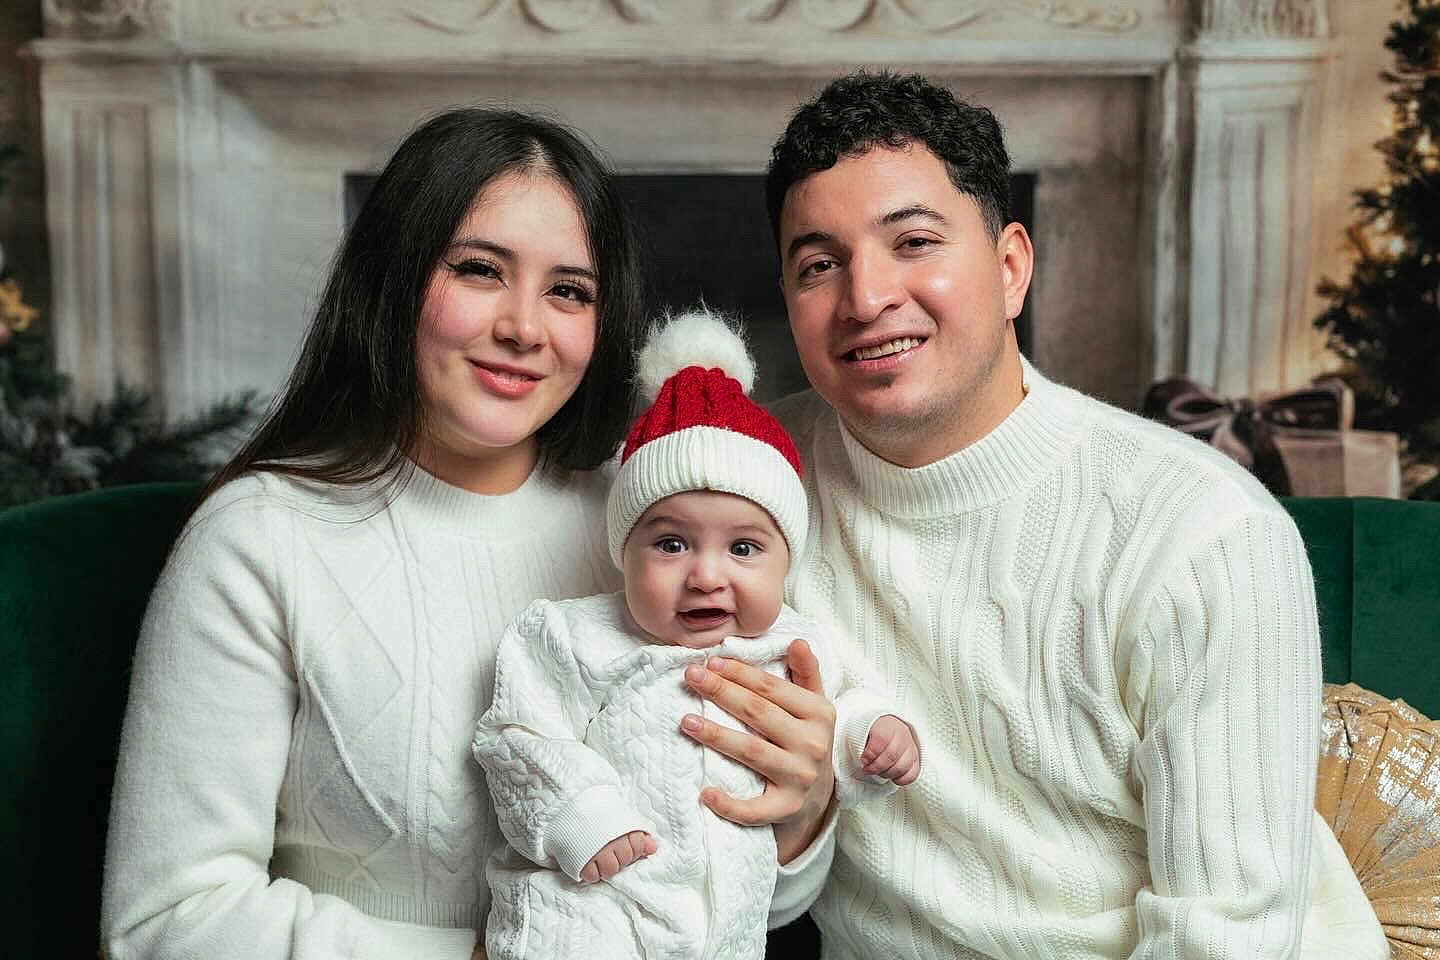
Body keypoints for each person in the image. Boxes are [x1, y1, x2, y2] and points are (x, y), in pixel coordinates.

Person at [99, 108, 835, 960]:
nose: (525, 327)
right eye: (480, 270)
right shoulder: (258, 542)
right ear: (395, 279)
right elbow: (166, 922)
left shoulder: (655, 531)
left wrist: (802, 807)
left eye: (569, 290)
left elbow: (758, 905)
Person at [761, 71, 1390, 959]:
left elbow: (1224, 938)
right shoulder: (748, 487)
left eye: (913, 242)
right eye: (819, 264)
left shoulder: (1202, 533)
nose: (865, 299)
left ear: (1012, 266)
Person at [471, 311, 919, 960]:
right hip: (586, 909)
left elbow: (837, 715)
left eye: (743, 547)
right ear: (626, 551)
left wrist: (875, 733)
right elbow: (515, 735)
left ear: (783, 561)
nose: (706, 576)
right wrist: (579, 816)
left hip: (720, 927)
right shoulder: (575, 635)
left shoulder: (797, 645)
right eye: (672, 543)